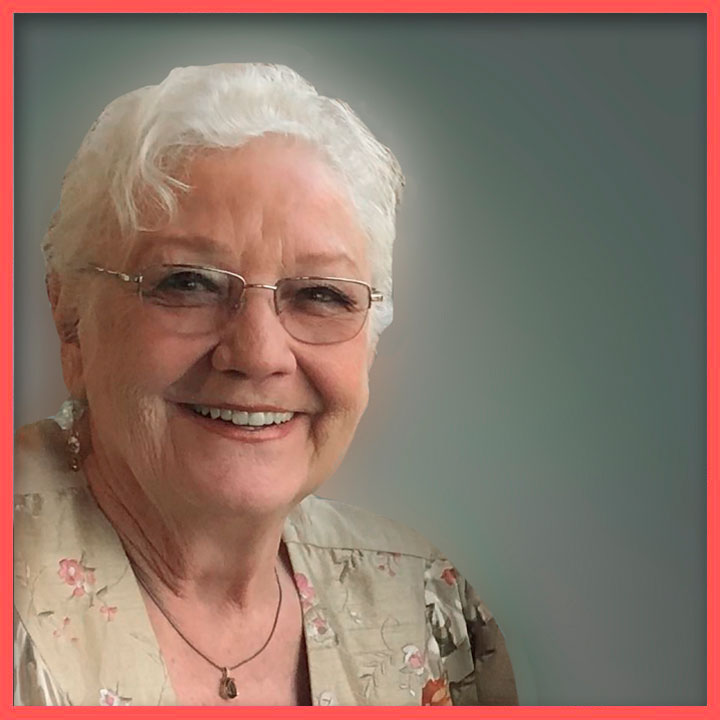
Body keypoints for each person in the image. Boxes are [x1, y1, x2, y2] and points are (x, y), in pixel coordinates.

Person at [13, 63, 518, 706]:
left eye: (320, 295)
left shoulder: (426, 602)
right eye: (187, 283)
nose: (257, 354)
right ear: (71, 324)